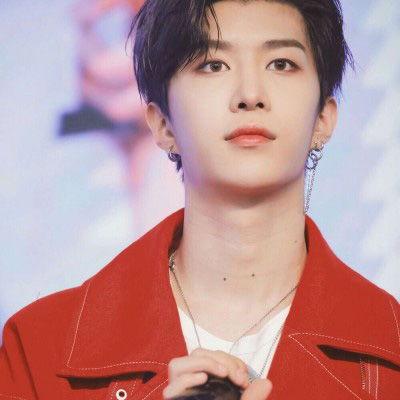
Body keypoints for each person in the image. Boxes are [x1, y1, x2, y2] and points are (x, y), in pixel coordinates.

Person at [0, 1, 399, 399]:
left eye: (281, 64)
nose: (250, 95)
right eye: (213, 65)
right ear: (162, 124)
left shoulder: (390, 349)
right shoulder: (40, 350)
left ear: (324, 118)